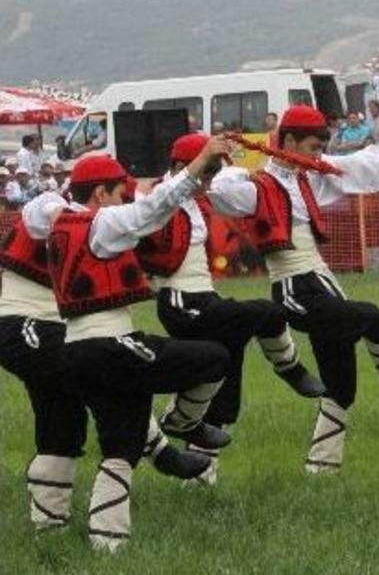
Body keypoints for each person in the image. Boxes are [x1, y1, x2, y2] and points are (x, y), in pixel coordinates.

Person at [205, 104, 379, 473]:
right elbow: (221, 192)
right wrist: (231, 164)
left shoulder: (309, 179)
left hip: (325, 286)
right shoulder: (256, 187)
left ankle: (321, 468)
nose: (318, 156)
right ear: (287, 141)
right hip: (295, 292)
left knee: (341, 386)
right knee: (374, 317)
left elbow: (359, 168)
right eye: (313, 147)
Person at [24, 145, 235, 551]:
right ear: (101, 194)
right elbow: (155, 208)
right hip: (111, 345)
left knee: (121, 444)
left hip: (74, 352)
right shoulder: (101, 225)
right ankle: (184, 423)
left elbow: (38, 211)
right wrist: (195, 167)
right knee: (214, 357)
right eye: (120, 192)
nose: (126, 199)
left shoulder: (55, 222)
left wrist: (57, 204)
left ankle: (107, 543)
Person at [134, 132, 326, 483]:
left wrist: (239, 162)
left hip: (206, 299)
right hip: (180, 302)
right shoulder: (157, 198)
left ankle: (202, 474)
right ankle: (289, 368)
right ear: (181, 167)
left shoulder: (200, 198)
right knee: (267, 312)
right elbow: (143, 210)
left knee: (226, 363)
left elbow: (234, 179)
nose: (209, 183)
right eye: (206, 173)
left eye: (212, 175)